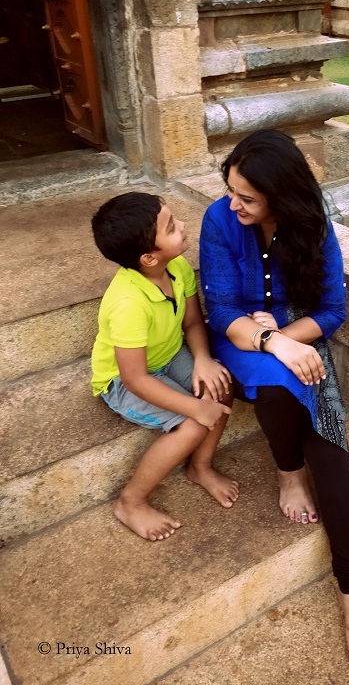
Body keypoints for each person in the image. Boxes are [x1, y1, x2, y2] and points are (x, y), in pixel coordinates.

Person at [199, 130, 349, 665]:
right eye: (230, 190)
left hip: (297, 336)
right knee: (280, 379)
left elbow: (330, 311)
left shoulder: (313, 225)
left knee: (330, 442)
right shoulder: (219, 221)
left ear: (283, 196)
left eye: (247, 198)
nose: (234, 204)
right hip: (242, 340)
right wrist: (270, 340)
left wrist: (284, 332)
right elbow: (222, 309)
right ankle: (286, 470)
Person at [90, 192, 237, 542]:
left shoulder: (177, 267)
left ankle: (200, 468)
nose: (183, 226)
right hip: (124, 381)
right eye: (171, 227)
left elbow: (193, 324)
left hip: (170, 355)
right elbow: (135, 378)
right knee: (193, 423)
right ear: (148, 257)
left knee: (221, 386)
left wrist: (202, 360)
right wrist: (195, 407)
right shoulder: (128, 303)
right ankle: (131, 501)